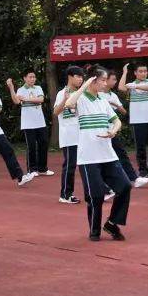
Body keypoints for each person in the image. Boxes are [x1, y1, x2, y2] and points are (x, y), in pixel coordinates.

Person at [64, 66, 131, 241]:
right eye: (102, 80)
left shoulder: (103, 100)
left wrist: (113, 131)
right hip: (88, 157)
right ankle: (95, 229)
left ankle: (112, 223)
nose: (105, 83)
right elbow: (69, 104)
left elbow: (116, 121)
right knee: (96, 195)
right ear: (92, 80)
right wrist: (83, 86)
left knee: (124, 186)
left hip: (108, 155)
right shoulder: (80, 100)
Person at [103, 70, 148, 189]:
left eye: (115, 80)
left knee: (121, 154)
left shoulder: (113, 95)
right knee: (104, 159)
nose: (114, 82)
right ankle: (105, 186)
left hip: (111, 131)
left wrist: (115, 105)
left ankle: (134, 178)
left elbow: (123, 111)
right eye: (112, 79)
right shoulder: (97, 95)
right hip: (100, 132)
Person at [118, 62, 148, 178]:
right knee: (140, 146)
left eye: (145, 71)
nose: (143, 73)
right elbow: (121, 87)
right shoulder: (131, 84)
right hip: (138, 120)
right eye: (140, 71)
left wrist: (136, 87)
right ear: (135, 73)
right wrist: (124, 73)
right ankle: (143, 170)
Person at [7, 71, 51, 177]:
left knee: (43, 144)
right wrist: (11, 87)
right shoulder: (21, 90)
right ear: (25, 78)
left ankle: (43, 168)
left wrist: (25, 99)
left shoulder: (38, 88)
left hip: (40, 122)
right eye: (30, 77)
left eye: (34, 77)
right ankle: (32, 169)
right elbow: (17, 101)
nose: (33, 79)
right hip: (28, 123)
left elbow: (41, 99)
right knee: (31, 146)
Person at [53, 65, 85, 204]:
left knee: (87, 164)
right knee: (70, 165)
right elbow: (56, 112)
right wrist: (64, 101)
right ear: (70, 77)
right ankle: (65, 194)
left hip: (82, 135)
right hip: (69, 136)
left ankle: (100, 190)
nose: (80, 79)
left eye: (82, 77)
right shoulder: (62, 93)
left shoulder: (81, 94)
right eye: (78, 76)